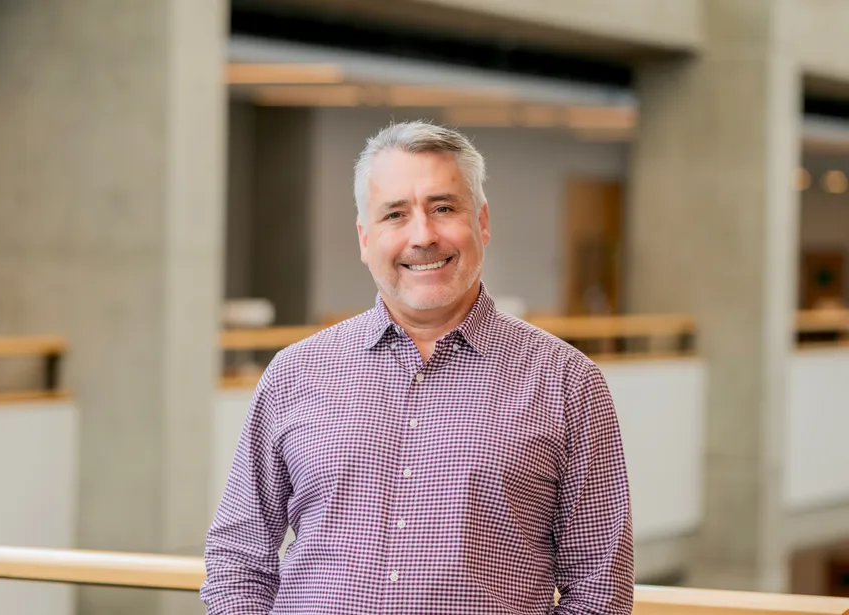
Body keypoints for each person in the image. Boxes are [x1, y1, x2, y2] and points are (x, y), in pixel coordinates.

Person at [201, 120, 634, 614]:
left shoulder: (568, 383)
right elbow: (238, 559)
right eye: (395, 215)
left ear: (482, 222)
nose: (422, 235)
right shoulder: (295, 373)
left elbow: (599, 591)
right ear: (366, 238)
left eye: (443, 208)